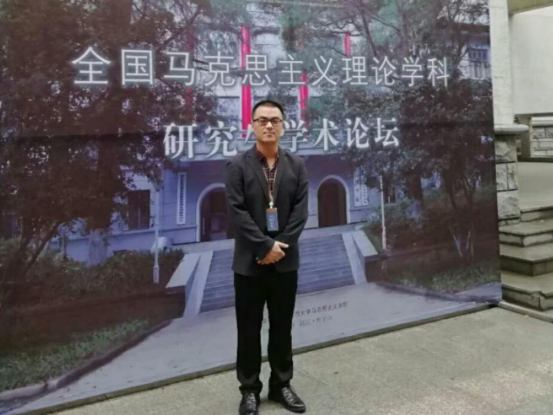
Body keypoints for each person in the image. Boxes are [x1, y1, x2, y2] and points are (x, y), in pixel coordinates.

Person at [225, 100, 309, 415]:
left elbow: (300, 212)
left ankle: (281, 385)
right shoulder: (237, 166)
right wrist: (264, 247)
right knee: (248, 329)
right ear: (252, 125)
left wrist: (278, 248)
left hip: (285, 263)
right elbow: (237, 213)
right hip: (249, 264)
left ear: (283, 126)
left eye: (275, 120)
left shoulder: (297, 165)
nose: (269, 125)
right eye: (262, 120)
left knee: (282, 327)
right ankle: (249, 390)